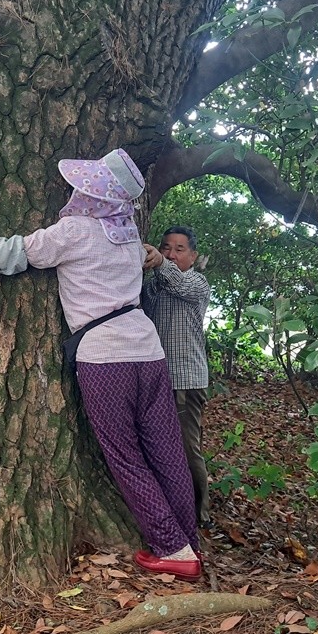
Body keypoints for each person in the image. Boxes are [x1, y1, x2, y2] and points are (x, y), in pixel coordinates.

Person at [0, 149, 202, 581]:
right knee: (166, 449)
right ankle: (188, 537)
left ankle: (174, 550)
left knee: (126, 456)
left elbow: (13, 253)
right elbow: (145, 257)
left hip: (105, 359)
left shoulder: (75, 231)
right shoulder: (127, 235)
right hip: (149, 351)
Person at [142, 226, 212, 528]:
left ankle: (199, 514)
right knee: (156, 446)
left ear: (193, 256)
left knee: (186, 447)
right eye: (166, 247)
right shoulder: (155, 283)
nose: (171, 253)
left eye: (179, 249)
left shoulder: (197, 282)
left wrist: (160, 263)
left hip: (186, 379)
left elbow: (180, 285)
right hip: (156, 377)